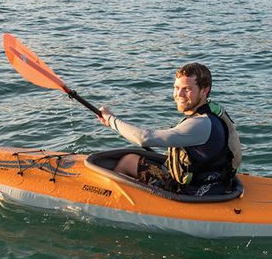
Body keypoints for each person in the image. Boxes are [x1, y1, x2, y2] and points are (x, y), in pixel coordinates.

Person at [98, 62, 242, 196]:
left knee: (126, 164)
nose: (179, 94)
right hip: (213, 180)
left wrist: (111, 120)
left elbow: (144, 138)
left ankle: (111, 201)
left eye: (187, 89)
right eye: (177, 88)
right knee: (129, 160)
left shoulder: (201, 123)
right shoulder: (210, 111)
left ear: (205, 91)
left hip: (194, 191)